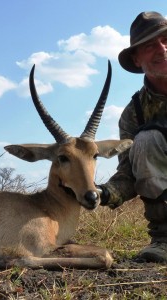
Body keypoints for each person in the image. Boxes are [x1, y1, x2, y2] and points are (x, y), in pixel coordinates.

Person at [99, 11, 167, 263]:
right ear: (137, 60)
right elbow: (128, 173)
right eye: (150, 45)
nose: (162, 49)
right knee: (146, 140)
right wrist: (101, 194)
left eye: (166, 40)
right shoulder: (133, 114)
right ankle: (164, 239)